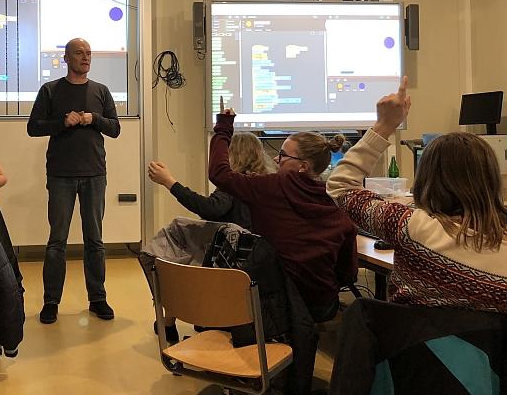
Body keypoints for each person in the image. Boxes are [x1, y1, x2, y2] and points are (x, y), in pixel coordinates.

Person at [327, 77, 507, 313]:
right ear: (491, 179)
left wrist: (384, 126)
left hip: (413, 336)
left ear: (426, 178)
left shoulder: (410, 227)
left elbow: (340, 187)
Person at [209, 106, 358, 323]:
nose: (276, 160)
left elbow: (219, 173)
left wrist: (223, 127)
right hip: (320, 306)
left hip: (275, 307)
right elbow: (348, 274)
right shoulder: (335, 200)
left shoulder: (270, 187)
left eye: (282, 155)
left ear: (303, 166)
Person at [27, 37, 121, 324]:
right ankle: (51, 302)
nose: (85, 57)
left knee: (95, 241)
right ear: (66, 58)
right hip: (61, 176)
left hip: (95, 174)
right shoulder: (50, 90)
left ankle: (98, 299)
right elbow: (33, 127)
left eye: (88, 53)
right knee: (57, 241)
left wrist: (94, 119)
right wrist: (62, 122)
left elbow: (115, 128)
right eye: (79, 53)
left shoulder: (101, 91)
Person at [148, 132, 275, 229]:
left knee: (176, 229)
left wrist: (169, 182)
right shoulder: (267, 181)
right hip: (262, 247)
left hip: (238, 248)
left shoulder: (234, 182)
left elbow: (210, 208)